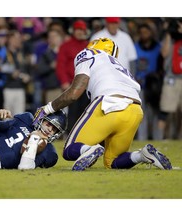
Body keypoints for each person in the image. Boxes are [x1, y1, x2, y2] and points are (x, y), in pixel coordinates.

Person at [33, 37, 172, 171]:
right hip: (135, 110)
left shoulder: (89, 53)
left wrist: (48, 108)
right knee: (112, 161)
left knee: (70, 149)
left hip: (109, 102)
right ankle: (142, 155)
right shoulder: (119, 66)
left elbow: (74, 93)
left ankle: (89, 149)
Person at [56, 19, 90, 135]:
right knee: (73, 112)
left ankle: (84, 136)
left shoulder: (89, 46)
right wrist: (64, 81)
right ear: (73, 31)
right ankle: (70, 136)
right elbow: (61, 65)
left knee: (86, 112)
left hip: (87, 85)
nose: (80, 32)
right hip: (72, 85)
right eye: (77, 30)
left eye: (82, 30)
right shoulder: (65, 46)